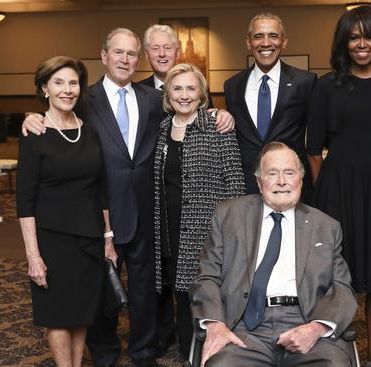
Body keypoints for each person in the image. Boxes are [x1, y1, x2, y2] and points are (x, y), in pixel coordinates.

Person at [20, 28, 235, 366]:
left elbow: (187, 113)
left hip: (148, 210)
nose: (124, 59)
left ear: (139, 59)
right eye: (117, 53)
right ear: (104, 56)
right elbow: (57, 118)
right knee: (100, 287)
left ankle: (143, 350)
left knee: (145, 288)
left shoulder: (153, 99)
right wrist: (31, 117)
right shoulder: (83, 98)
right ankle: (104, 352)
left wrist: (218, 112)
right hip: (97, 213)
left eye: (131, 54)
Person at [306, 6, 371, 366]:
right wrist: (327, 192)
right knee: (337, 279)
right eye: (354, 37)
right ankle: (337, 357)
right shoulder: (326, 85)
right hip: (337, 191)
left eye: (369, 36)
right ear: (344, 41)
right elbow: (312, 148)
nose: (361, 44)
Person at [190, 142, 358, 367]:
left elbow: (342, 288)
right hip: (243, 328)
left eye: (289, 173)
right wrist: (215, 325)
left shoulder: (325, 226)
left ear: (300, 179)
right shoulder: (229, 215)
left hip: (306, 323)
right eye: (272, 173)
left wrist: (316, 328)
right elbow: (207, 277)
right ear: (260, 183)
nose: (282, 181)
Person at [17, 56, 117, 367]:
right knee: (58, 315)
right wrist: (33, 256)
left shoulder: (88, 131)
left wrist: (108, 239)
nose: (67, 89)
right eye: (58, 82)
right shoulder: (34, 133)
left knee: (81, 312)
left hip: (88, 238)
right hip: (52, 239)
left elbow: (101, 192)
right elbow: (25, 199)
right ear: (44, 88)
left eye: (73, 83)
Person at [152, 63, 245, 360]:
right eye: (177, 88)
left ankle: (213, 355)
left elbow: (235, 184)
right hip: (169, 228)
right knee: (179, 293)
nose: (183, 95)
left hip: (207, 231)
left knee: (205, 295)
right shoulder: (162, 128)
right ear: (168, 93)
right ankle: (188, 354)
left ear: (202, 93)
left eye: (191, 88)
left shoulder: (217, 126)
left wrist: (234, 234)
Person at [224, 13, 317, 203]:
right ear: (248, 42)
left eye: (273, 36)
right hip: (246, 186)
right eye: (258, 36)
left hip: (290, 185)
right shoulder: (232, 86)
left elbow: (316, 136)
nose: (266, 43)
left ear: (284, 41)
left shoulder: (305, 82)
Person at [138, 24, 214, 108]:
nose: (162, 54)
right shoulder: (138, 91)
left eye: (167, 48)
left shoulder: (199, 86)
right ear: (146, 55)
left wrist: (221, 113)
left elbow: (210, 116)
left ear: (177, 53)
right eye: (155, 48)